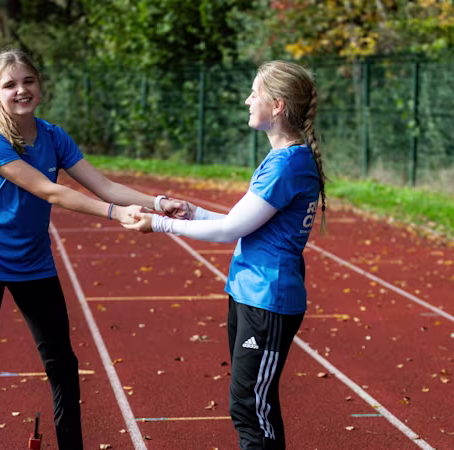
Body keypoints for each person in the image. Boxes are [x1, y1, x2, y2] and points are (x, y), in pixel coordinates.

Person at [0, 48, 188, 450]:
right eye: (10, 85)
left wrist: (156, 202)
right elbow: (50, 191)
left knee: (62, 362)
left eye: (28, 81)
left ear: (39, 85)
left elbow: (104, 185)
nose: (21, 90)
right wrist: (115, 214)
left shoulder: (54, 136)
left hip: (33, 261)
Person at [122, 60, 328, 449]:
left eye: (255, 93)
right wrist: (193, 212)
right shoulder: (285, 159)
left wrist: (161, 224)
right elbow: (245, 221)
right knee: (252, 405)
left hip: (268, 297)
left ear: (278, 105)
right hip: (250, 293)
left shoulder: (288, 164)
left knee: (250, 407)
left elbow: (232, 229)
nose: (248, 100)